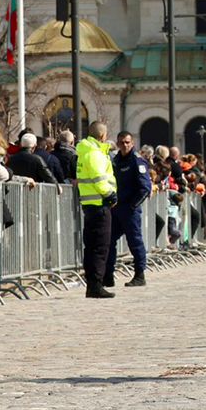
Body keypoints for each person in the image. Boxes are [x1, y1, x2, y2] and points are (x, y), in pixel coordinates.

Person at [75, 121, 117, 300]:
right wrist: (110, 194)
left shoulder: (87, 151)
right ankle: (95, 285)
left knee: (92, 246)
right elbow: (99, 178)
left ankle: (93, 284)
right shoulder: (94, 154)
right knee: (100, 247)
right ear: (102, 136)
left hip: (91, 204)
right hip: (99, 204)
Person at [105, 130, 152, 288]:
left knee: (134, 241)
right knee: (109, 240)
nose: (124, 145)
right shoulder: (116, 160)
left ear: (132, 143)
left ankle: (140, 274)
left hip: (130, 210)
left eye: (127, 142)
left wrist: (133, 205)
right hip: (116, 208)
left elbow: (145, 188)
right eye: (121, 142)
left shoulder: (137, 161)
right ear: (117, 144)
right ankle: (108, 275)